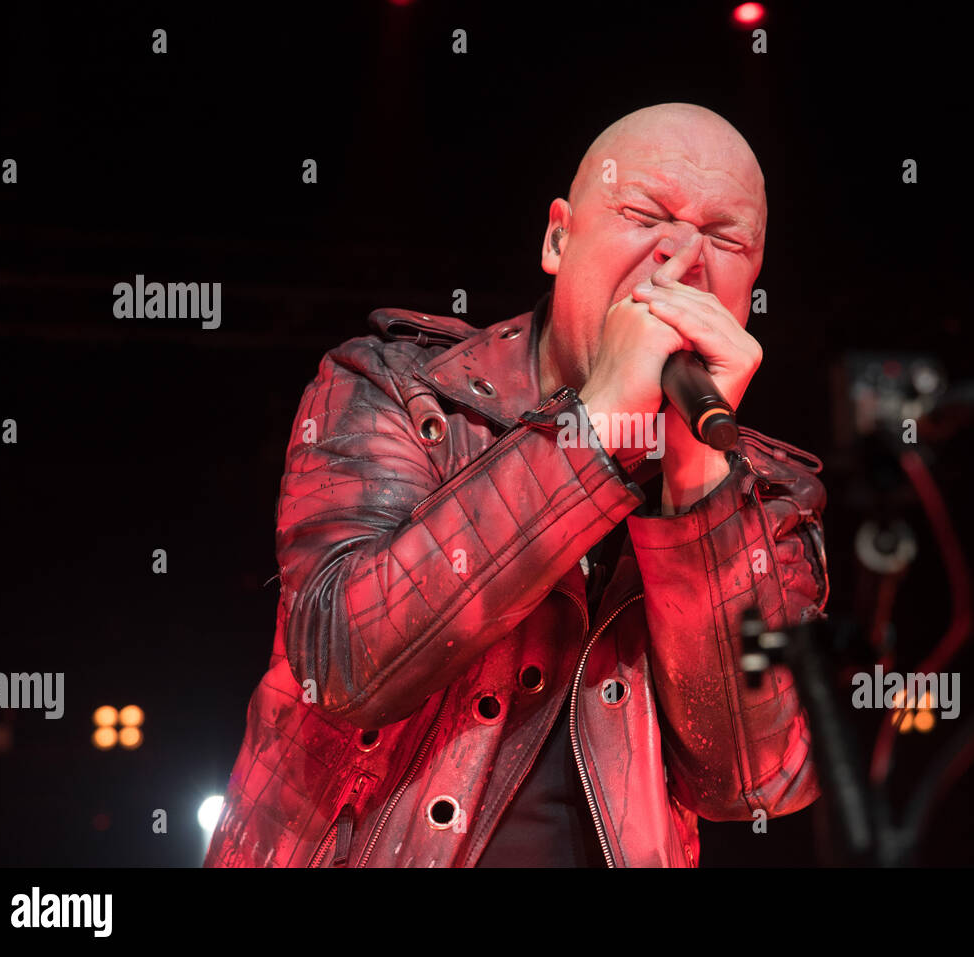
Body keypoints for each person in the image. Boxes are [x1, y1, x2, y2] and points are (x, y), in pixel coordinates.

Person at [204, 102, 830, 868]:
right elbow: (341, 662)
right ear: (558, 237)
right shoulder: (397, 388)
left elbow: (753, 780)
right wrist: (595, 425)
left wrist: (698, 486)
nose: (683, 260)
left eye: (725, 238)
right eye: (645, 213)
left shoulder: (767, 495)